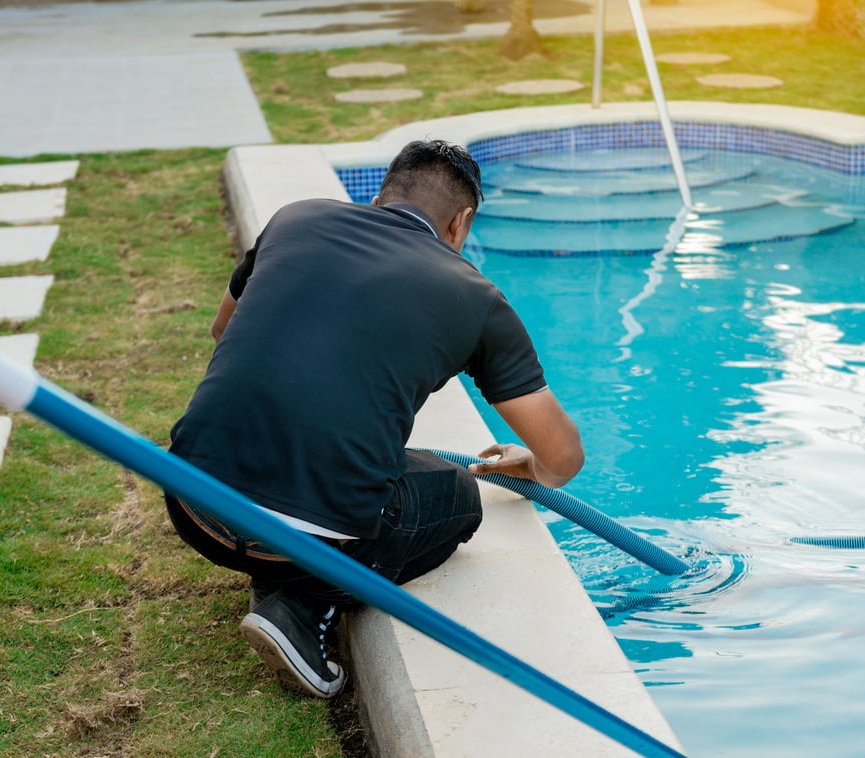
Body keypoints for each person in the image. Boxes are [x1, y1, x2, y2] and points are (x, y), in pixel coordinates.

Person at [164, 139, 583, 699]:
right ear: (461, 223)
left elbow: (223, 331)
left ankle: (280, 561)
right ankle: (302, 605)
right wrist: (529, 464)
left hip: (193, 503)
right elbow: (564, 460)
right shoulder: (473, 294)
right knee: (456, 493)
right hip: (311, 537)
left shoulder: (296, 218)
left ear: (383, 193)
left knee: (406, 465)